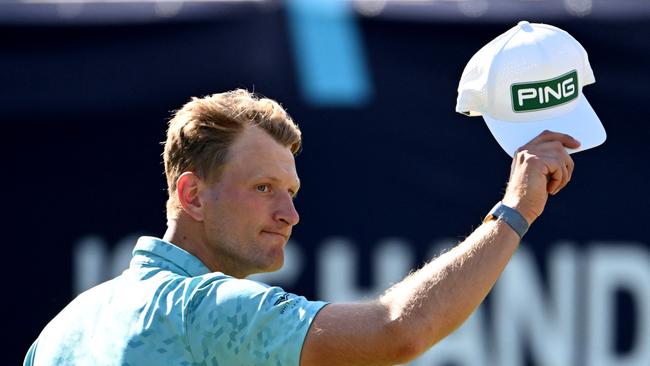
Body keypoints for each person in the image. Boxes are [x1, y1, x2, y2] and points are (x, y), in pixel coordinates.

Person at [24, 89, 580, 365]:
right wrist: (516, 210)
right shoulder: (202, 309)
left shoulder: (60, 331)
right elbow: (396, 329)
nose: (289, 216)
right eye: (263, 189)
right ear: (191, 194)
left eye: (290, 193)